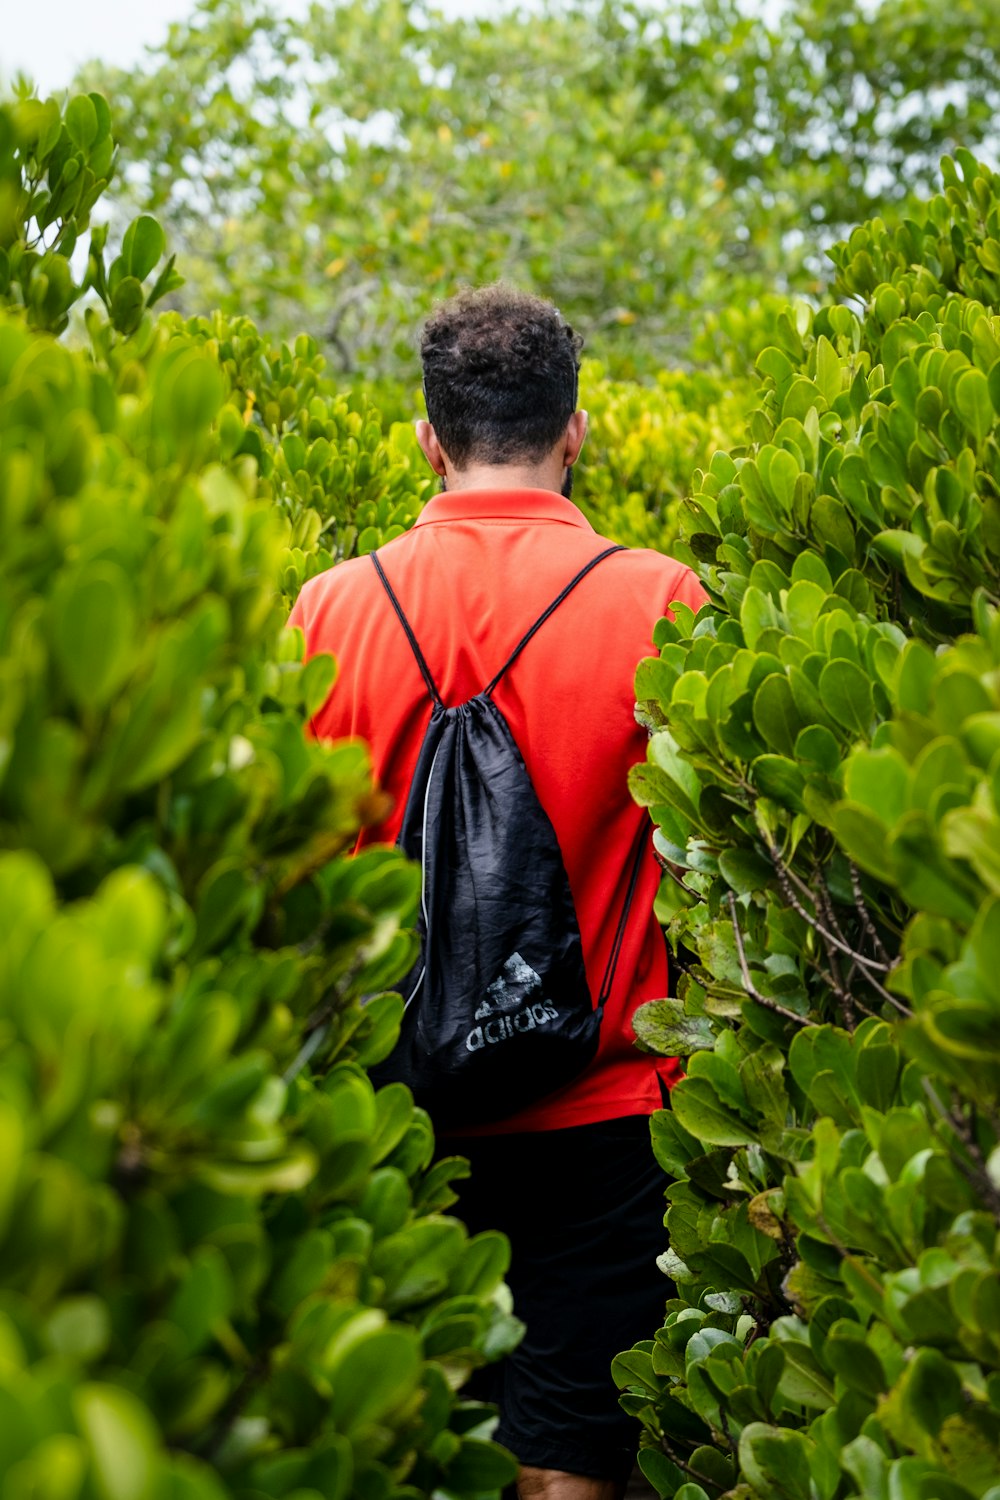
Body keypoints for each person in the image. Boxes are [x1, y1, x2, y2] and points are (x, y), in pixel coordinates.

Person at [289, 285, 707, 1500]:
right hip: (602, 1116)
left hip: (405, 1123)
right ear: (575, 429)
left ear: (428, 436)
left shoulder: (329, 610)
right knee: (569, 1463)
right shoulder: (662, 601)